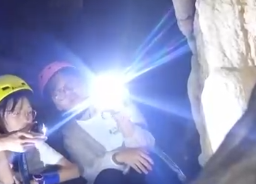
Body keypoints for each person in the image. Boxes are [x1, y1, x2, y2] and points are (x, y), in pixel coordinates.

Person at [38, 62, 170, 184]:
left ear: (84, 82)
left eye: (70, 83)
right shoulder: (70, 135)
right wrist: (118, 157)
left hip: (149, 170)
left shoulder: (114, 98)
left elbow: (150, 141)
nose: (67, 92)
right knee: (108, 177)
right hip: (117, 179)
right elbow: (89, 172)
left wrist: (126, 126)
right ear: (57, 106)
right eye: (58, 93)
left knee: (148, 161)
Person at [0, 75, 81, 184]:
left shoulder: (31, 140)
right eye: (16, 112)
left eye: (29, 112)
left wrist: (37, 182)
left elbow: (74, 170)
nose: (27, 118)